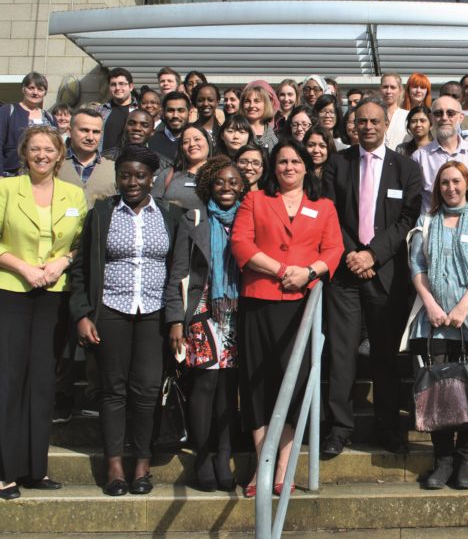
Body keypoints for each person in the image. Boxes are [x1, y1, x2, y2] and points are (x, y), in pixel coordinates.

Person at [230, 139, 343, 497]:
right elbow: (241, 244)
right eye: (282, 162)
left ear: (307, 166)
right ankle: (261, 464)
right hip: (259, 301)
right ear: (273, 167)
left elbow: (334, 250)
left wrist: (308, 272)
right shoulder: (255, 200)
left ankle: (283, 465)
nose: (289, 167)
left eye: (295, 161)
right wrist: (282, 270)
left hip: (301, 306)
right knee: (257, 381)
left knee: (292, 383)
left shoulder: (323, 206)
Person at [70, 145, 183, 498]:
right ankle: (115, 466)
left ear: (152, 179)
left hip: (153, 313)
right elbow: (81, 269)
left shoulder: (169, 215)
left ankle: (142, 464)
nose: (132, 182)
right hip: (111, 310)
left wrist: (176, 319)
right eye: (125, 175)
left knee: (147, 390)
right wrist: (82, 314)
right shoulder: (102, 213)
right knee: (113, 390)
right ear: (117, 178)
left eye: (140, 176)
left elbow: (177, 270)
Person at [322, 98, 423, 457]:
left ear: (385, 125)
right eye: (361, 121)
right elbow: (330, 213)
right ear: (353, 125)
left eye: (374, 121)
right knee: (342, 355)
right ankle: (340, 428)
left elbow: (408, 219)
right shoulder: (337, 163)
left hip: (387, 274)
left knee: (386, 357)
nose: (367, 127)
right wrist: (353, 254)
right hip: (345, 273)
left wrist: (373, 254)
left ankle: (387, 427)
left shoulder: (407, 168)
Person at [0, 126, 86, 500]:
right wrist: (24, 268)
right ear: (24, 153)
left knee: (42, 382)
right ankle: (5, 471)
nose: (41, 155)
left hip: (53, 294)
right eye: (34, 149)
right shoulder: (5, 189)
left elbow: (82, 243)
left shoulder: (74, 195)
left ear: (59, 155)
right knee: (9, 380)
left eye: (48, 149)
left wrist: (62, 262)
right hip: (12, 291)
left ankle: (36, 469)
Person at [406, 161, 468, 490]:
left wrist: (462, 306)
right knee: (438, 395)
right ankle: (443, 460)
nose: (450, 188)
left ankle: (465, 460)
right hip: (433, 323)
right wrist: (431, 304)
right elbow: (416, 266)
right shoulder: (426, 222)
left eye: (456, 181)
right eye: (444, 182)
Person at [166, 156, 246, 493]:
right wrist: (175, 319)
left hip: (237, 311)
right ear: (208, 185)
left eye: (233, 182)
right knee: (206, 383)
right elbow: (178, 272)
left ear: (242, 187)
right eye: (219, 182)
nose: (226, 188)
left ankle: (224, 455)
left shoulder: (248, 217)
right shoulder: (194, 218)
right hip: (202, 308)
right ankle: (202, 457)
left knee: (228, 386)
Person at [411, 95, 468, 212]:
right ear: (431, 118)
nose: (444, 118)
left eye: (450, 113)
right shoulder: (419, 157)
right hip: (431, 221)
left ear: (461, 117)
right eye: (438, 113)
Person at [59, 108, 117, 206]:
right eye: (84, 130)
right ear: (69, 131)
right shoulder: (54, 164)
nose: (90, 137)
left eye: (96, 132)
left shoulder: (114, 168)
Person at [1, 72, 56, 175]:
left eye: (40, 89)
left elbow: (55, 147)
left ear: (45, 93)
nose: (35, 92)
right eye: (31, 88)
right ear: (23, 89)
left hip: (42, 174)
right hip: (12, 174)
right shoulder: (8, 111)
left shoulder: (50, 118)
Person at [152, 124, 213, 211]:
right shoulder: (168, 174)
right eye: (186, 142)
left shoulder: (219, 174)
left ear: (208, 141)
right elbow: (152, 206)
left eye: (197, 139)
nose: (192, 144)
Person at [97, 68, 138, 153]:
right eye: (113, 84)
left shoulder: (140, 111)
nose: (117, 88)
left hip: (131, 159)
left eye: (121, 84)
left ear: (131, 87)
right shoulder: (99, 111)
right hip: (103, 159)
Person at [148, 91, 190, 162]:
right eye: (170, 110)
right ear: (163, 112)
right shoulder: (150, 141)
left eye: (181, 110)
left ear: (189, 113)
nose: (175, 115)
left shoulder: (197, 141)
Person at [241, 84, 279, 152]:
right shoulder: (237, 129)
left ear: (265, 104)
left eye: (257, 101)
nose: (251, 105)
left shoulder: (275, 132)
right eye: (247, 101)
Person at [380, 73, 409, 150]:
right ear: (380, 89)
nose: (388, 91)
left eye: (393, 87)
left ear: (400, 91)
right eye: (385, 87)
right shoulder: (373, 115)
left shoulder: (408, 116)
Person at [304, 126, 335, 194]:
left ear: (329, 148)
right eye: (311, 145)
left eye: (322, 146)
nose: (316, 150)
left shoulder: (337, 175)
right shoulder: (298, 173)